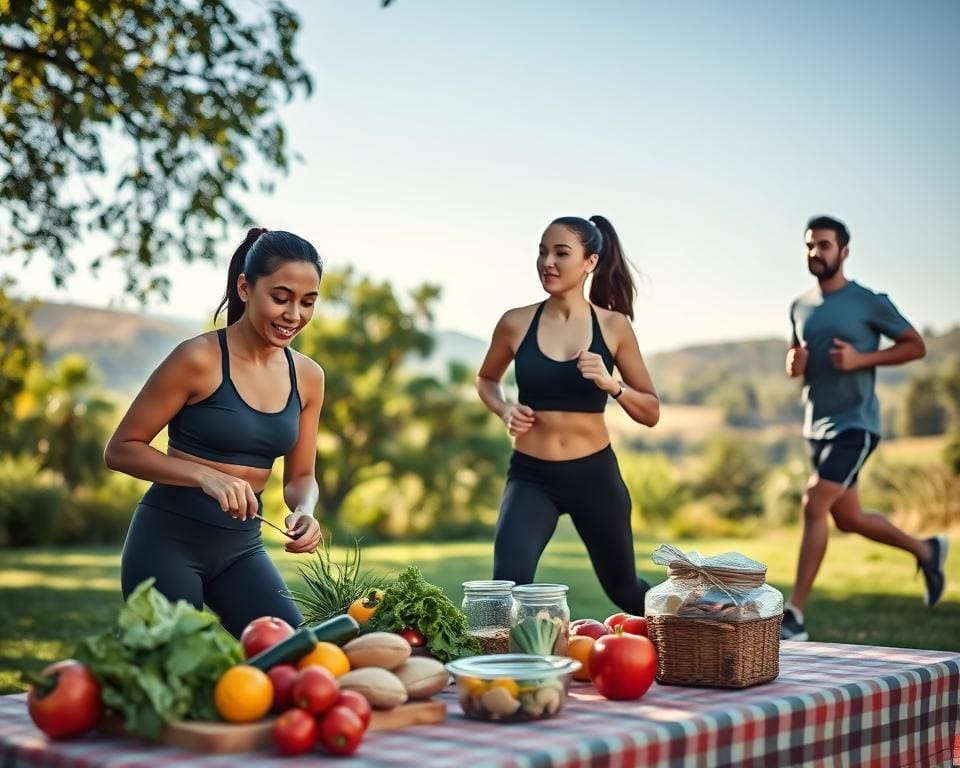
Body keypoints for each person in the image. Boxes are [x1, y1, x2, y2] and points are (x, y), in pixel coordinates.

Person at [104, 228, 326, 637]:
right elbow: (120, 449)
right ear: (245, 287)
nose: (294, 314)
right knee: (176, 678)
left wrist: (306, 510)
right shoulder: (198, 358)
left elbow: (300, 477)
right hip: (166, 542)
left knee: (294, 658)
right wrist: (204, 475)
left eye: (307, 302)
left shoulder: (308, 377)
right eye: (280, 297)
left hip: (242, 548)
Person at [476, 215, 659, 615]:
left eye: (561, 253)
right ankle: (511, 672)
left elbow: (650, 411)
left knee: (626, 592)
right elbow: (486, 380)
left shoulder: (614, 326)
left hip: (593, 475)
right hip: (532, 476)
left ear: (590, 262)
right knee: (507, 584)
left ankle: (716, 625)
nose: (548, 262)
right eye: (542, 252)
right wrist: (505, 408)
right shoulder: (515, 322)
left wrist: (612, 385)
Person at [781, 215, 948, 641]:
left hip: (856, 424)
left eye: (824, 245)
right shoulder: (799, 306)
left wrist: (860, 360)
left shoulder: (869, 301)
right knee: (848, 518)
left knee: (814, 502)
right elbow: (799, 358)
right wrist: (793, 365)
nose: (815, 252)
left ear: (844, 252)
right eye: (810, 245)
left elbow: (916, 345)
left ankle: (794, 615)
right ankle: (927, 550)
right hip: (815, 425)